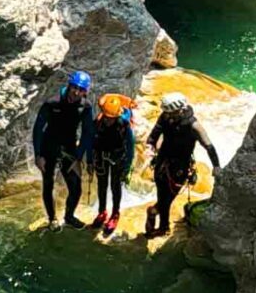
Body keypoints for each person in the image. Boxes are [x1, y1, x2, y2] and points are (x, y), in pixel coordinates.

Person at [146, 92, 221, 238]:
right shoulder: (165, 117)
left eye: (170, 113)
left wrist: (216, 166)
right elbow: (154, 135)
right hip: (163, 162)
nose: (167, 116)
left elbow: (209, 146)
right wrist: (150, 146)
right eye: (166, 113)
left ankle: (154, 212)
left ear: (179, 111)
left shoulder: (193, 126)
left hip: (180, 166)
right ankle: (163, 227)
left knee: (169, 198)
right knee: (163, 196)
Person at [31, 71, 94, 229]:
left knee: (76, 186)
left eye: (81, 90)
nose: (76, 92)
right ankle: (52, 219)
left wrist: (78, 157)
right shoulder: (53, 102)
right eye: (74, 88)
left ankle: (69, 216)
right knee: (48, 183)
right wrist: (38, 155)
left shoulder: (85, 106)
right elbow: (38, 128)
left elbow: (88, 132)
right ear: (69, 85)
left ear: (85, 92)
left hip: (69, 149)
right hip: (49, 147)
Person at [90, 93, 136, 236]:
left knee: (115, 186)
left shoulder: (124, 125)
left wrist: (127, 168)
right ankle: (102, 211)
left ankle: (115, 214)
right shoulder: (98, 122)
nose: (108, 121)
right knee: (102, 185)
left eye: (112, 118)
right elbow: (91, 141)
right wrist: (90, 160)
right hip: (101, 157)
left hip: (117, 159)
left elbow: (130, 147)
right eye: (107, 117)